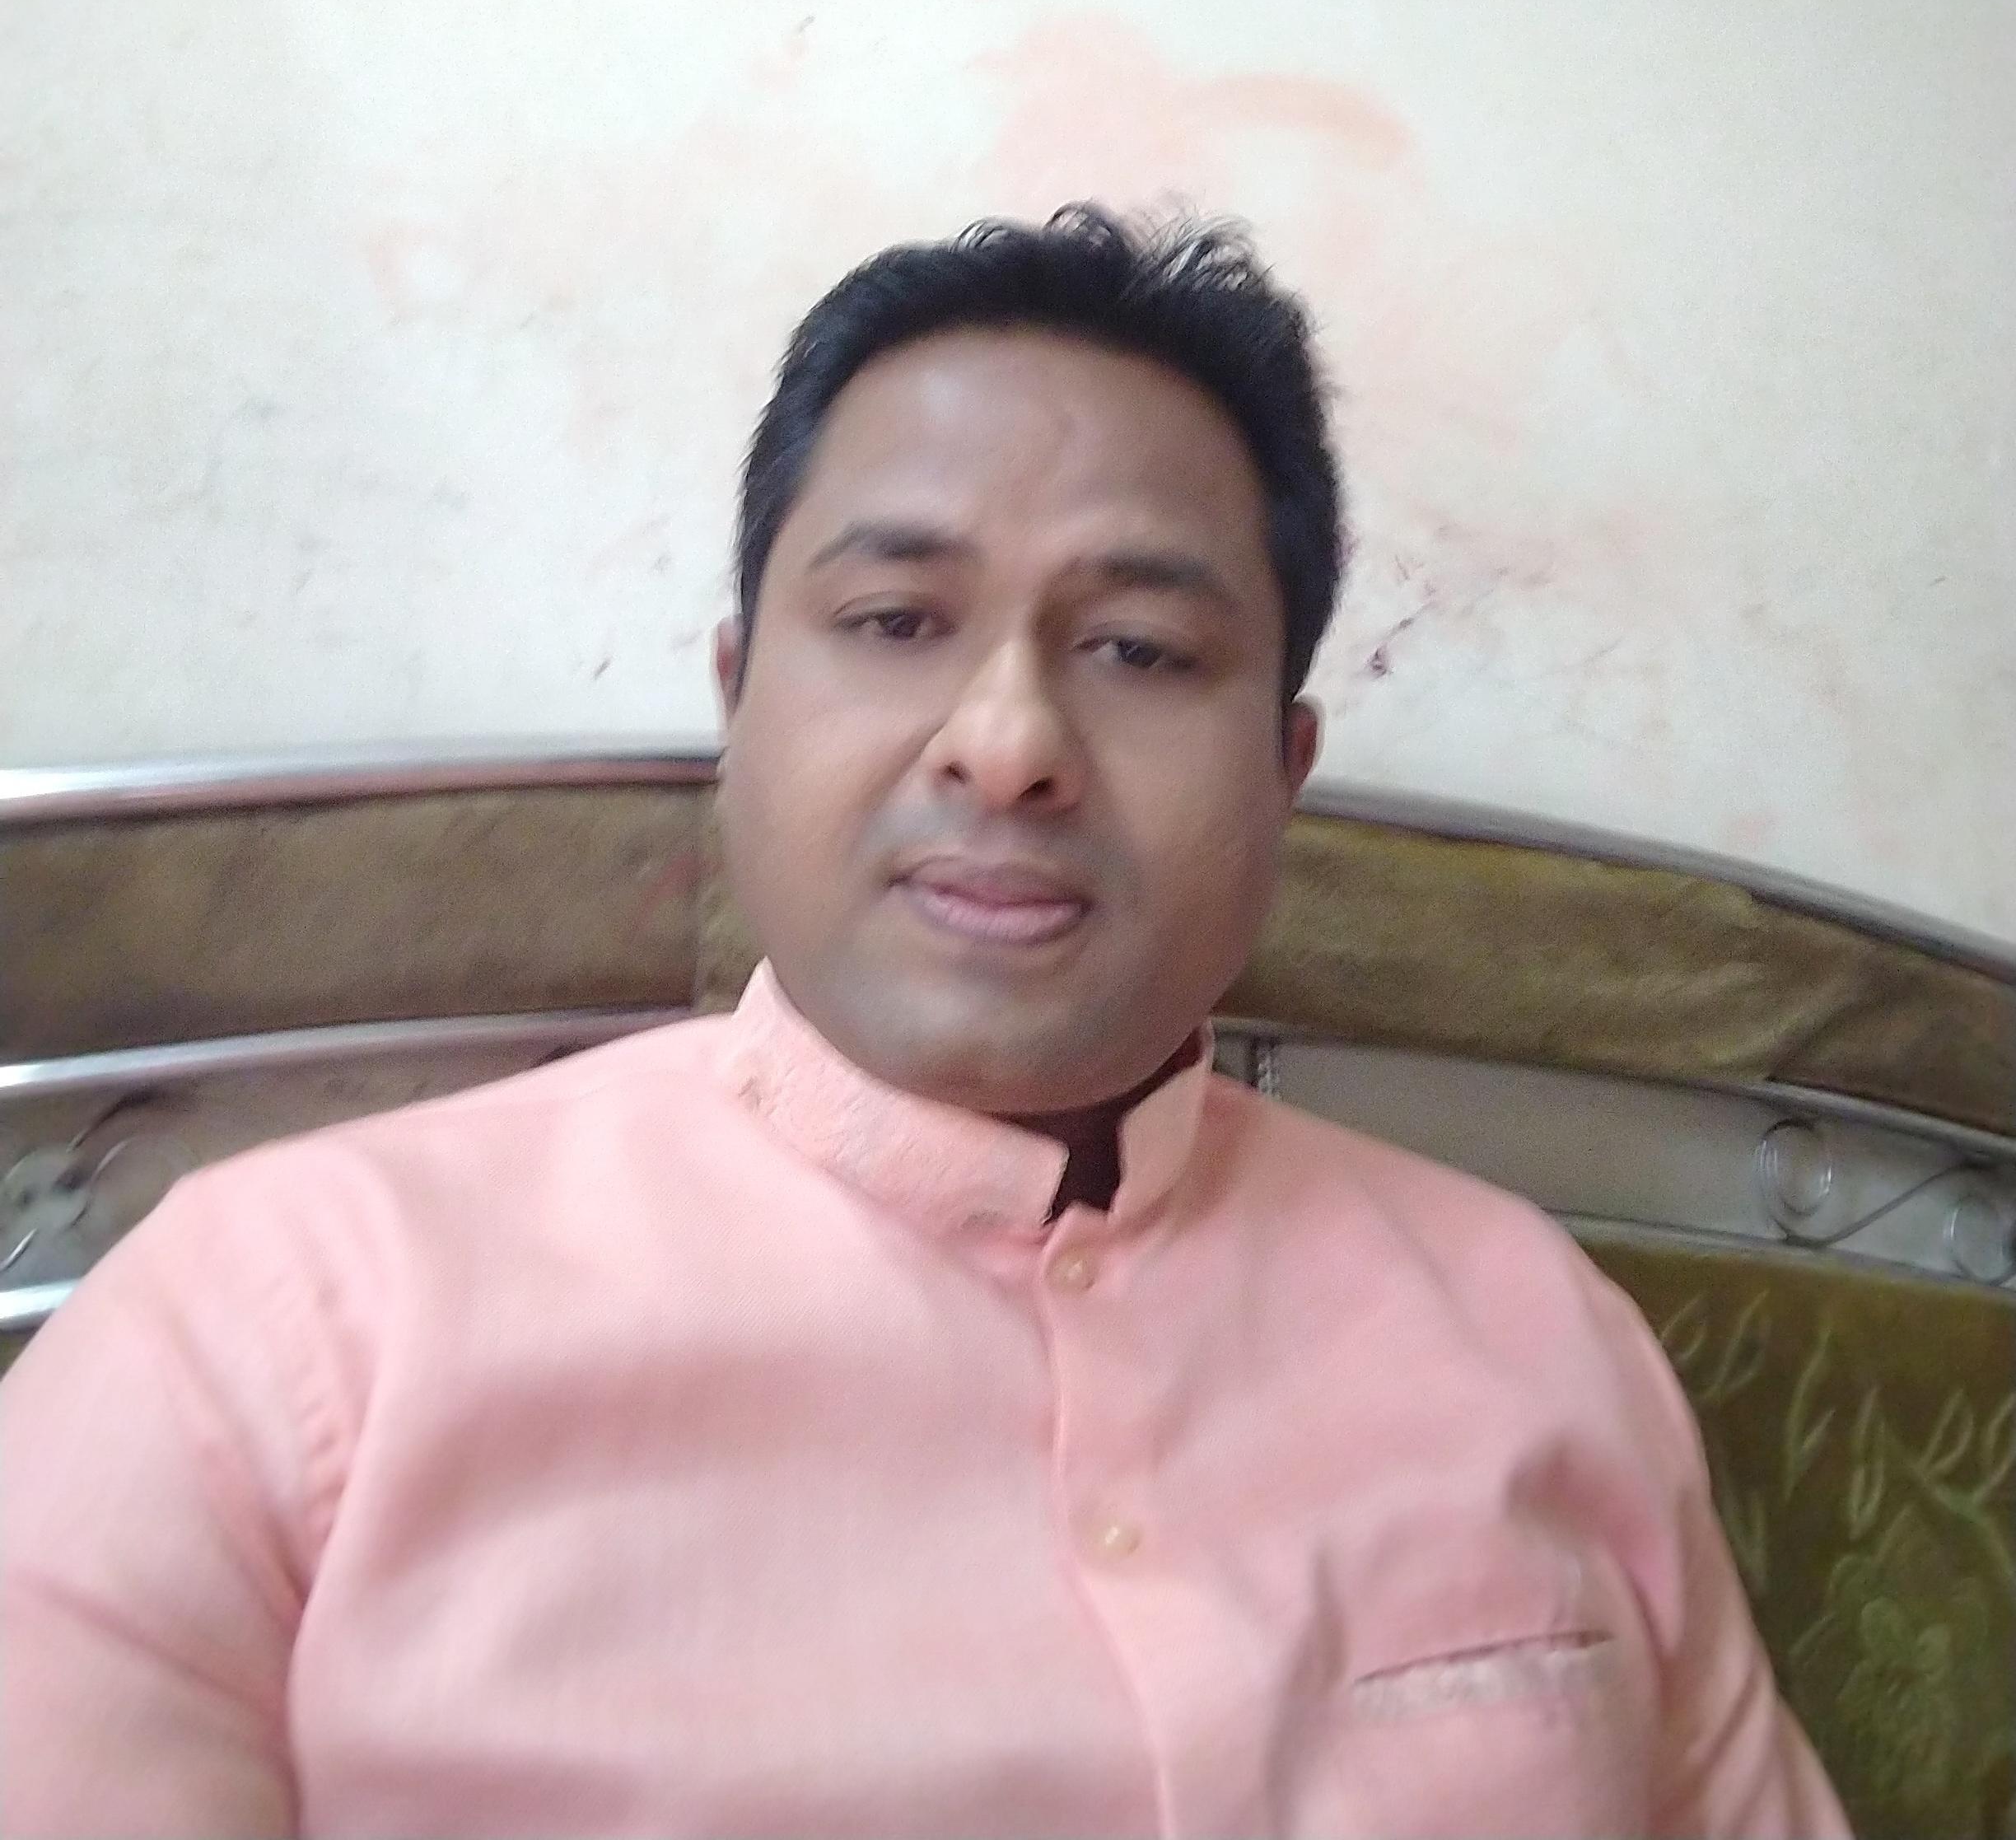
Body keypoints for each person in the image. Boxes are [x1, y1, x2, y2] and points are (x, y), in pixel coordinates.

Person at [0, 205, 1846, 1840]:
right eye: (895, 620)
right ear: (739, 701)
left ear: (1283, 772)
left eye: (1140, 650)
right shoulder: (275, 1331)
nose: (1011, 742)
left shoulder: (1534, 1331)